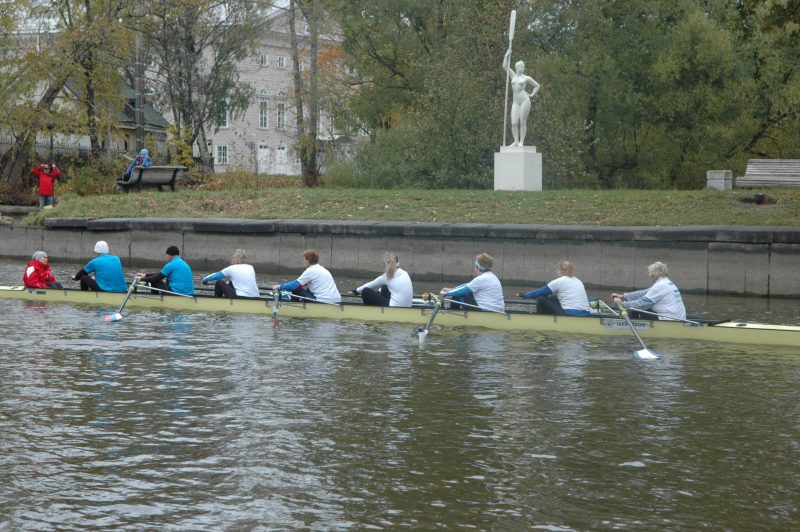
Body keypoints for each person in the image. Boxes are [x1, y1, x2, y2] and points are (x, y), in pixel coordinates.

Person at [611, 261, 686, 320]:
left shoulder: (661, 285)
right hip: (678, 317)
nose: (650, 277)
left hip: (670, 319)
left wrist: (623, 304)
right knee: (637, 306)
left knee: (636, 308)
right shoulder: (666, 282)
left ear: (654, 275)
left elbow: (641, 304)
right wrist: (623, 296)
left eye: (650, 274)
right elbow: (644, 292)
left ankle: (626, 326)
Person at [518, 260, 591, 316]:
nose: (556, 272)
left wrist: (525, 295)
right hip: (586, 313)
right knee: (552, 297)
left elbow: (540, 292)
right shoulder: (578, 281)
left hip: (571, 314)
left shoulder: (560, 281)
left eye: (557, 270)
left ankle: (541, 320)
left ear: (561, 270)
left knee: (541, 298)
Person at [439, 253, 505, 312]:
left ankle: (452, 316)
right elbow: (467, 285)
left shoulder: (481, 279)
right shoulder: (493, 276)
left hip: (486, 311)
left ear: (477, 267)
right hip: (499, 310)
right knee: (465, 293)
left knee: (458, 296)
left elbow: (462, 291)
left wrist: (445, 293)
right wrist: (451, 290)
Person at [272, 249, 341, 304]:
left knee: (296, 289)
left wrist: (279, 286)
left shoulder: (310, 271)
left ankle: (294, 309)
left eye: (304, 260)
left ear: (308, 261)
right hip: (337, 300)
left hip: (323, 301)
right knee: (302, 288)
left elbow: (294, 285)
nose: (303, 262)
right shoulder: (323, 269)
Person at [502, 48, 540, 147]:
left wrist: (531, 94)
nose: (523, 68)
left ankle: (521, 142)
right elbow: (505, 66)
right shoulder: (513, 76)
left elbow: (537, 86)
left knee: (522, 121)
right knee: (514, 123)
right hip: (515, 102)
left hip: (524, 100)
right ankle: (515, 141)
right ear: (517, 67)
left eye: (524, 67)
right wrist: (507, 54)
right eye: (521, 67)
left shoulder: (526, 78)